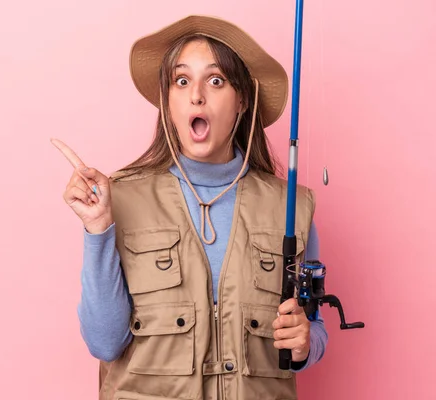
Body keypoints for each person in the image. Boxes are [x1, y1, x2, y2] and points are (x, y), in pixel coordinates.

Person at [52, 14, 327, 400]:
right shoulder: (119, 200)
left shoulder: (291, 207)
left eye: (216, 81)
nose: (197, 95)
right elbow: (104, 343)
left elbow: (314, 324)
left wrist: (304, 344)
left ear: (242, 100)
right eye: (182, 81)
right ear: (168, 100)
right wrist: (98, 229)